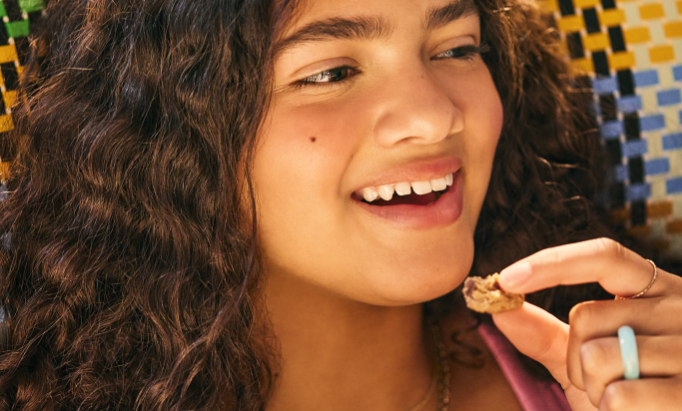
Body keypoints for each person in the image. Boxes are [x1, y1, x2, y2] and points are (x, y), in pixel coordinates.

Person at [0, 0, 680, 410]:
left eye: (457, 48)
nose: (433, 115)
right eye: (328, 72)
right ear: (169, 133)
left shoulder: (625, 371)